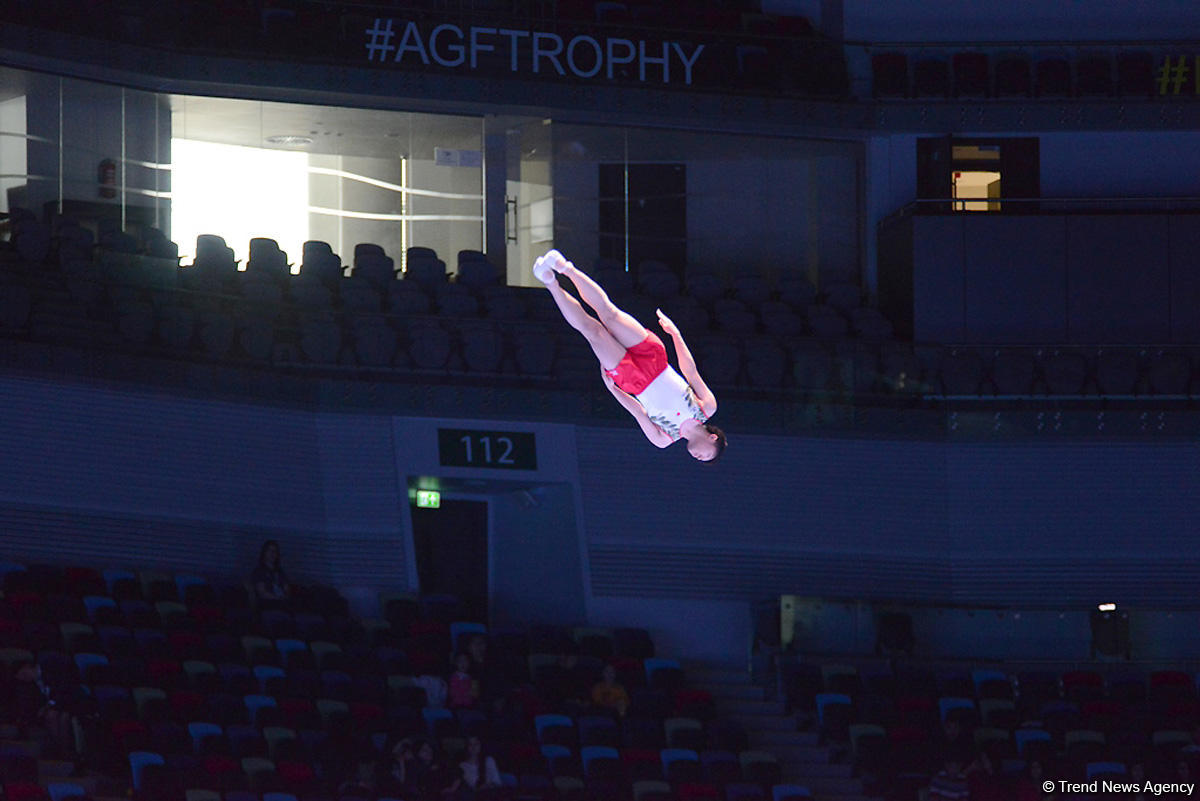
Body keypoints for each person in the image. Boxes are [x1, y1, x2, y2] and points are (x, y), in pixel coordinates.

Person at [533, 249, 726, 462]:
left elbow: (638, 412)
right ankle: (565, 267)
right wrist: (675, 334)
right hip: (655, 359)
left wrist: (613, 390)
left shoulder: (663, 439)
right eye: (707, 455)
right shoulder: (707, 407)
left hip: (632, 381)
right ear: (713, 438)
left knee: (592, 331)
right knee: (609, 314)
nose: (699, 457)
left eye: (701, 459)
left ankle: (550, 282)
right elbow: (690, 370)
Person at [456, 735, 503, 799]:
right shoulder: (463, 766)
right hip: (478, 796)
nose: (474, 747)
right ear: (466, 747)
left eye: (476, 744)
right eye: (470, 745)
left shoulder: (488, 760)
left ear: (480, 745)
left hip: (493, 793)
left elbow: (497, 781)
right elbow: (473, 786)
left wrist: (489, 786)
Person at [252, 539, 291, 609]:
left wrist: (285, 596)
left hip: (282, 601)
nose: (272, 553)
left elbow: (286, 588)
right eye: (270, 550)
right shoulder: (259, 571)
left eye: (275, 551)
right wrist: (277, 598)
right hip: (268, 603)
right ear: (264, 553)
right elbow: (262, 593)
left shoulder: (280, 571)